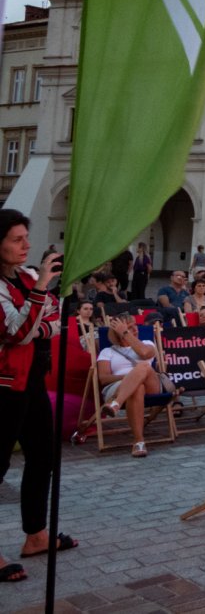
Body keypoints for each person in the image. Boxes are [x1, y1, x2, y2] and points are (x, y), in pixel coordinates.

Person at [0, 209, 77, 573]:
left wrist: (35, 315)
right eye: (16, 239)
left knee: (43, 456)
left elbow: (53, 322)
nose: (26, 246)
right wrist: (40, 296)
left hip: (31, 379)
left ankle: (36, 534)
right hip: (3, 384)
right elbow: (16, 332)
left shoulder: (27, 277)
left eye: (25, 238)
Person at [95, 313, 174, 457]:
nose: (136, 330)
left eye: (134, 326)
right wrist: (131, 379)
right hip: (118, 386)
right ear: (117, 333)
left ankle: (116, 404)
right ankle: (139, 442)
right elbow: (103, 378)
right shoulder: (107, 352)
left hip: (151, 384)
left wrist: (126, 333)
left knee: (143, 366)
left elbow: (144, 353)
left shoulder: (147, 344)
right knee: (137, 387)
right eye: (129, 328)